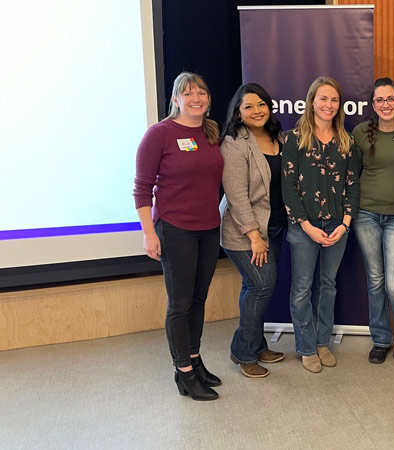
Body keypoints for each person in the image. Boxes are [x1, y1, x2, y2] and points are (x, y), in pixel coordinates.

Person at [133, 72, 224, 401]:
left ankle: (196, 359)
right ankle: (183, 372)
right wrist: (148, 233)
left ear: (208, 99)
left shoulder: (211, 133)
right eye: (188, 93)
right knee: (181, 303)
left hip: (209, 229)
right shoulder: (160, 134)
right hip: (175, 230)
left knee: (199, 300)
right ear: (175, 99)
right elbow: (142, 189)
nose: (196, 98)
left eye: (201, 92)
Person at [282, 76, 360, 373]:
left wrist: (346, 223)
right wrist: (306, 225)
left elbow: (353, 185)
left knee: (327, 285)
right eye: (323, 98)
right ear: (312, 101)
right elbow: (288, 187)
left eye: (334, 100)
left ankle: (323, 341)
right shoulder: (293, 139)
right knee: (302, 287)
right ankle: (305, 346)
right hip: (304, 227)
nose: (329, 105)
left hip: (338, 226)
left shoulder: (347, 141)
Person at [219, 83, 287, 378]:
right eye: (249, 107)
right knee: (261, 285)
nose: (256, 111)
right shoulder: (234, 143)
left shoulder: (278, 137)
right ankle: (243, 352)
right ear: (238, 112)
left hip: (274, 226)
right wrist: (254, 235)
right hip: (244, 231)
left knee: (255, 288)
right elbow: (236, 195)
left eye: (261, 104)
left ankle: (257, 346)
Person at [352, 78, 394, 364]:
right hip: (366, 214)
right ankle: (380, 338)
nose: (385, 105)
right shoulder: (360, 132)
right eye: (379, 100)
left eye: (391, 99)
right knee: (375, 280)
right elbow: (352, 174)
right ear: (373, 105)